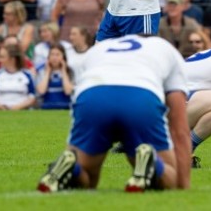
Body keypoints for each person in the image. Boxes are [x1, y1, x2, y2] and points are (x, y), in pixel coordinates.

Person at [37, 34, 191, 193]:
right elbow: (180, 129)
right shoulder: (165, 48)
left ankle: (73, 167)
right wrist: (183, 186)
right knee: (170, 173)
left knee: (88, 177)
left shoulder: (99, 49)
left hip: (93, 97)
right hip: (140, 97)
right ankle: (152, 163)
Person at [0, 44, 36, 111]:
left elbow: (32, 97)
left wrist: (18, 107)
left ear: (12, 59)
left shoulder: (27, 75)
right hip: (1, 112)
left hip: (22, 112)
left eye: (2, 57)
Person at [36, 44, 73, 110]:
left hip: (65, 108)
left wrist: (63, 71)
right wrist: (47, 73)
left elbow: (68, 91)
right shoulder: (42, 71)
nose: (54, 57)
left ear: (63, 57)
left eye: (57, 54)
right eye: (52, 54)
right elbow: (41, 91)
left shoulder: (69, 71)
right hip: (46, 107)